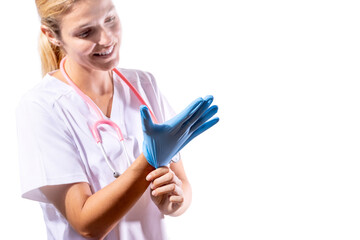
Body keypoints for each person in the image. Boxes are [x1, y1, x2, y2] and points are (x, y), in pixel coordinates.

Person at [16, 0, 219, 239]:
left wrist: (175, 200)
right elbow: (87, 225)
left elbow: (182, 185)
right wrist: (148, 160)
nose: (106, 38)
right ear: (52, 35)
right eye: (85, 32)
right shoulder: (42, 107)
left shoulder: (144, 86)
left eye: (110, 19)